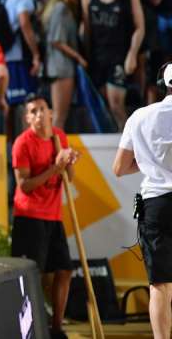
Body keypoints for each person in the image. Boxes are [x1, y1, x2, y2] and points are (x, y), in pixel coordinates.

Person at [113, 62, 172, 339]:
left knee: (160, 285)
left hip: (157, 205)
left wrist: (148, 162)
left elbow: (119, 168)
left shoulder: (139, 117)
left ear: (162, 86)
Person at [11, 93, 78, 339]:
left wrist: (69, 161)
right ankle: (31, 327)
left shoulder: (60, 136)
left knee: (64, 269)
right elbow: (24, 186)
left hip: (53, 216)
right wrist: (56, 168)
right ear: (28, 118)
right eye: (34, 111)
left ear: (50, 112)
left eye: (43, 109)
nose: (39, 114)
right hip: (29, 216)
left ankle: (57, 328)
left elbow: (69, 177)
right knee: (31, 274)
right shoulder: (22, 143)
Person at [82, 0, 145, 130]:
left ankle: (129, 148)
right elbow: (88, 31)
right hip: (97, 56)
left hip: (119, 55)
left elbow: (140, 27)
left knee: (116, 104)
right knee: (104, 105)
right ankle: (114, 142)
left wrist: (132, 54)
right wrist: (86, 57)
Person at [42, 0, 86, 129]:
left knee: (60, 115)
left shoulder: (64, 9)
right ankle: (54, 152)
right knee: (60, 115)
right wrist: (78, 57)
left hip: (60, 66)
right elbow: (57, 41)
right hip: (62, 67)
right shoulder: (62, 9)